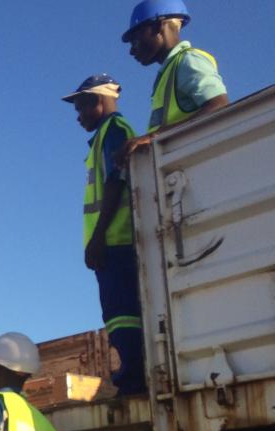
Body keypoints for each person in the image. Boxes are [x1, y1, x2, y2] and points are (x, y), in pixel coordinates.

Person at [62, 74, 146, 395]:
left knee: (122, 313)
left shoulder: (115, 131)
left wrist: (98, 237)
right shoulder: (104, 137)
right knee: (117, 313)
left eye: (81, 106)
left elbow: (116, 181)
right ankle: (131, 372)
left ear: (99, 100)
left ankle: (134, 376)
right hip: (112, 241)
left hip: (117, 240)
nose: (78, 115)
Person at [116, 0, 229, 164]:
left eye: (135, 40)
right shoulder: (169, 71)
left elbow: (219, 105)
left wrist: (153, 137)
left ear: (158, 26)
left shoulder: (188, 60)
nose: (132, 50)